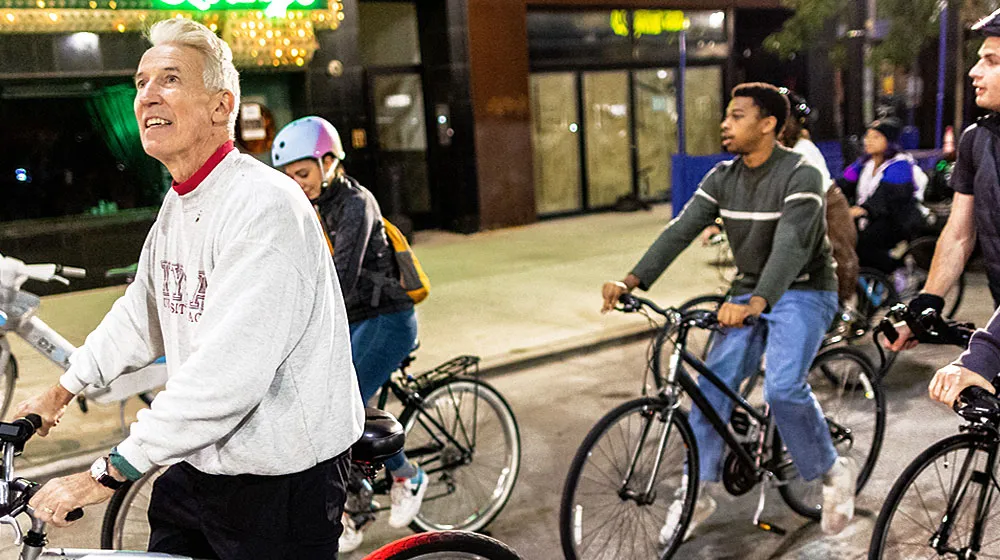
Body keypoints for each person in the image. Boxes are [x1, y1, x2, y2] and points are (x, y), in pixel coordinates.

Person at [13, 18, 366, 559]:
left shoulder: (264, 207)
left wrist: (103, 474)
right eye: (140, 82)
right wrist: (62, 390)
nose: (147, 94)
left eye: (170, 79)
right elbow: (144, 310)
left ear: (221, 106)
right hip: (202, 461)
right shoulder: (180, 202)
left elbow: (227, 374)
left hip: (281, 475)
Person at [601, 82, 856, 539]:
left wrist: (758, 302)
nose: (725, 123)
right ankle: (697, 491)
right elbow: (679, 232)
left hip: (805, 290)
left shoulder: (800, 172)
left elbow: (793, 244)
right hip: (748, 291)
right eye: (726, 115)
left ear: (768, 124)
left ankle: (834, 472)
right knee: (709, 390)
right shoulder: (723, 177)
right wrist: (631, 280)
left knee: (782, 387)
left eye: (737, 115)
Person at [271, 116, 424, 551]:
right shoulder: (314, 206)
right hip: (354, 320)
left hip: (386, 319)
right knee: (328, 407)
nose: (296, 183)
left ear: (328, 161)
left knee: (346, 406)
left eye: (302, 173)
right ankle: (355, 505)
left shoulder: (355, 203)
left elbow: (339, 277)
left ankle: (407, 476)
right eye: (289, 177)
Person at [888, 8, 1000, 353]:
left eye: (991, 61)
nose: (973, 71)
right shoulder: (976, 140)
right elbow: (959, 234)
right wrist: (927, 303)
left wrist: (981, 357)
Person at [779, 88, 859, 305]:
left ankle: (837, 310)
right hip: (810, 209)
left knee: (836, 262)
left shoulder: (803, 150)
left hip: (829, 208)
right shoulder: (784, 149)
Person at [837, 117, 927, 276]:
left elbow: (886, 195)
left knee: (863, 245)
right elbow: (842, 184)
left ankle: (894, 274)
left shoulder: (900, 165)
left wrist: (863, 209)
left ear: (889, 141)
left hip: (896, 221)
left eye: (876, 137)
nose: (868, 141)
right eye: (867, 136)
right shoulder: (865, 163)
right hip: (872, 219)